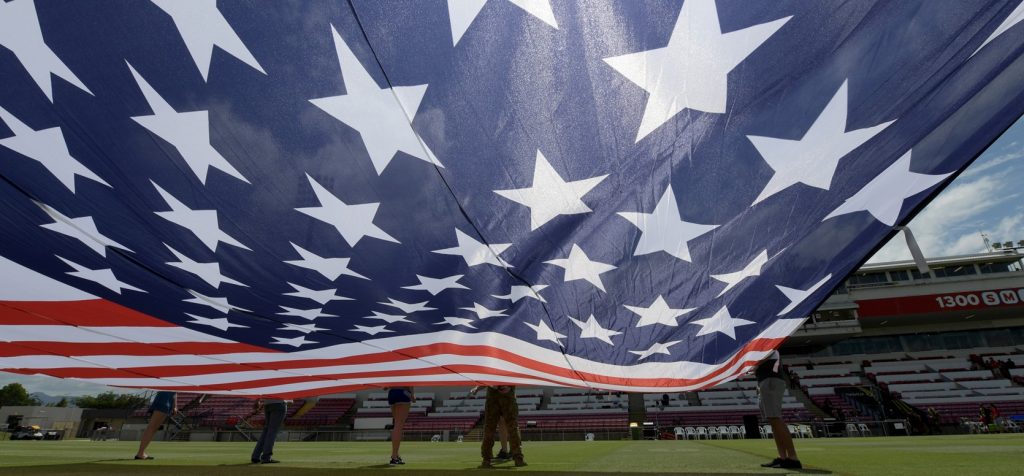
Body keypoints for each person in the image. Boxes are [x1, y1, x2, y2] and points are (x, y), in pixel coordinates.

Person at [756, 351, 801, 469]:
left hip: (770, 380)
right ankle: (783, 457)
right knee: (773, 420)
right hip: (766, 380)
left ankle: (792, 457)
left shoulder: (767, 345)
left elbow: (760, 359)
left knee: (775, 418)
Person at [478, 385, 525, 468]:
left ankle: (486, 460)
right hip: (506, 396)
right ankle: (518, 458)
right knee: (512, 428)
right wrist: (509, 386)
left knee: (489, 429)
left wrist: (478, 387)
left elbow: (485, 379)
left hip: (494, 396)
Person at [470, 386, 510, 460]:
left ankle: (504, 451)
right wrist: (477, 388)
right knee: (494, 423)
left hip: (502, 397)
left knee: (501, 423)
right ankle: (492, 452)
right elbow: (487, 381)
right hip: (495, 399)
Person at [135, 391, 176, 460]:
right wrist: (174, 406)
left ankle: (141, 453)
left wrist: (174, 406)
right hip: (164, 400)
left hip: (167, 401)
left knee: (153, 428)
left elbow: (175, 393)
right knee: (152, 428)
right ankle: (140, 453)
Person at [251, 397, 288, 464]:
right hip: (279, 403)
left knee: (266, 431)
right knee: (272, 431)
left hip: (267, 404)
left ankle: (255, 456)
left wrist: (257, 400)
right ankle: (266, 457)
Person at [387, 386, 414, 465]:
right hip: (403, 393)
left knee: (397, 424)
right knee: (399, 425)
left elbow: (385, 387)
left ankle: (396, 455)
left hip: (392, 393)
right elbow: (410, 384)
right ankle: (394, 456)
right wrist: (412, 395)